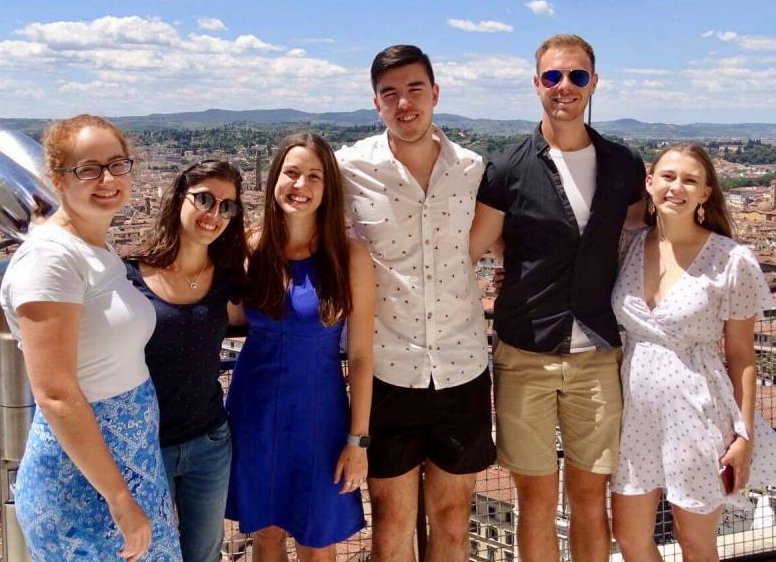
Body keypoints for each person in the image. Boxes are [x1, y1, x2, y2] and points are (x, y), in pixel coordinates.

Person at [470, 34, 645, 562]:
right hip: (525, 352)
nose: (564, 87)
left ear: (594, 82)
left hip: (598, 352)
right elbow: (475, 245)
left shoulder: (623, 164)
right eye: (552, 77)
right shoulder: (507, 169)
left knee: (592, 500)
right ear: (536, 85)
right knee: (536, 501)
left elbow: (638, 243)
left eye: (576, 76)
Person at [609, 144, 776, 562]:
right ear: (649, 184)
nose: (675, 187)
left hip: (696, 411)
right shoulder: (628, 246)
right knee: (629, 537)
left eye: (689, 180)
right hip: (631, 411)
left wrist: (744, 437)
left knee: (695, 543)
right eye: (667, 176)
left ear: (705, 193)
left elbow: (741, 355)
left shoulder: (732, 261)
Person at [337, 44, 496, 562]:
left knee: (453, 521)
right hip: (387, 371)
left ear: (435, 94)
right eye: (390, 94)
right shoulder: (348, 168)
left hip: (463, 367)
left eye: (414, 90)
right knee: (391, 527)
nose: (404, 103)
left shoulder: (472, 168)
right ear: (376, 103)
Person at [0, 114, 182, 562]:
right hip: (85, 483)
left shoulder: (93, 248)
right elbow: (56, 392)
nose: (107, 179)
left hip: (126, 464)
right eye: (88, 169)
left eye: (118, 164)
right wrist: (120, 500)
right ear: (56, 178)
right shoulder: (49, 259)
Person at [226, 132, 375, 562]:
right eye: (292, 173)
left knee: (316, 541)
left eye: (314, 176)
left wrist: (358, 440)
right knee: (266, 534)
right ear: (274, 180)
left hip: (320, 419)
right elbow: (230, 313)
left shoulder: (351, 257)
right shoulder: (251, 248)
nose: (301, 185)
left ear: (328, 189)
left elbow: (363, 356)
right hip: (254, 414)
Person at [125, 160, 248, 562]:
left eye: (226, 207)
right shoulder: (131, 275)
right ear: (179, 197)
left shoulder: (228, 277)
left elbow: (261, 317)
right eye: (205, 199)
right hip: (144, 445)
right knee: (147, 554)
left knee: (204, 553)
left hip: (209, 441)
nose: (214, 214)